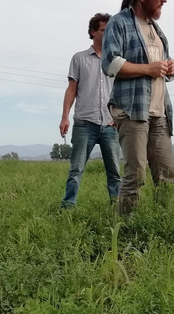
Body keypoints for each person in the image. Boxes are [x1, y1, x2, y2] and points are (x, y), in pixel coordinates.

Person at [101, 0, 174, 215]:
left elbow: (159, 69)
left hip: (159, 112)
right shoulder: (119, 22)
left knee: (168, 176)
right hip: (132, 110)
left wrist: (169, 67)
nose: (164, 0)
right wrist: (148, 68)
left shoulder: (157, 30)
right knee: (135, 175)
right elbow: (110, 64)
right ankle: (125, 230)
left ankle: (162, 226)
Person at [60, 13, 121, 208]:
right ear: (93, 32)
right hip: (85, 122)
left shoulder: (117, 60)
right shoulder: (79, 58)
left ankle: (117, 208)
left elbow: (121, 91)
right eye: (104, 29)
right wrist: (64, 117)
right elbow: (72, 89)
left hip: (110, 124)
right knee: (76, 169)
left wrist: (119, 117)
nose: (108, 33)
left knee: (115, 172)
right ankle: (68, 207)